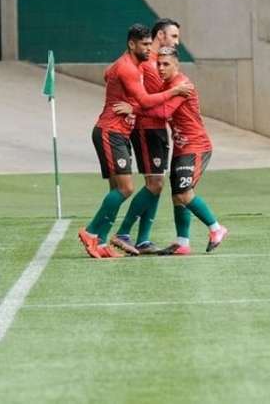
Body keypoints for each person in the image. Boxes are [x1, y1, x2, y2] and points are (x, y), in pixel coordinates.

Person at [78, 24, 192, 259]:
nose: (149, 49)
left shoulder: (135, 65)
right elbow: (145, 100)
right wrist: (174, 91)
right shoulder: (130, 68)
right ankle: (92, 232)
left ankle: (100, 244)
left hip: (118, 132)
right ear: (132, 44)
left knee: (118, 189)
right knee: (126, 188)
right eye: (145, 45)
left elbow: (108, 73)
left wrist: (120, 93)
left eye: (150, 45)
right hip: (112, 131)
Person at [114, 47, 228, 255]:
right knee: (177, 197)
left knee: (184, 194)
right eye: (159, 63)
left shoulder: (182, 85)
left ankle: (216, 228)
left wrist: (134, 109)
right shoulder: (167, 85)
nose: (161, 68)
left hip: (196, 146)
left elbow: (163, 112)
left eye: (166, 64)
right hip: (180, 147)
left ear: (177, 65)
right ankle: (183, 243)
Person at [113, 18, 181, 255]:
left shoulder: (159, 63)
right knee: (155, 183)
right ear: (160, 36)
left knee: (156, 185)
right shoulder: (145, 64)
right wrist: (133, 108)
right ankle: (123, 233)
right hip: (146, 129)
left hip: (158, 127)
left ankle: (143, 240)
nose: (176, 42)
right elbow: (141, 95)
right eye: (173, 36)